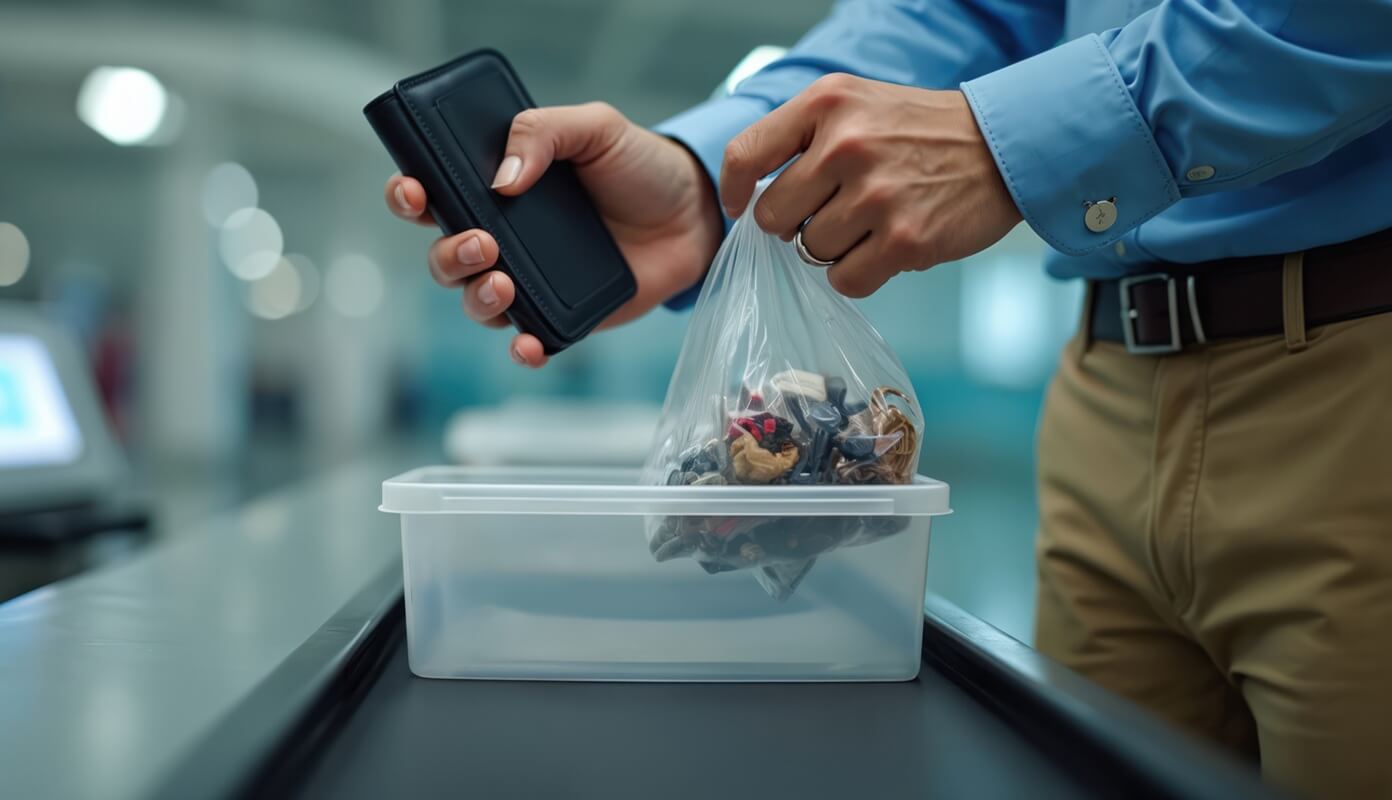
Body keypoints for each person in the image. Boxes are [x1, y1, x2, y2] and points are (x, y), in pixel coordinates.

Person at [384, 2, 1392, 796]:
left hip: (1356, 382)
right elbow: (966, 8)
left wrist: (1010, 139)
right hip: (1103, 389)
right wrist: (712, 179)